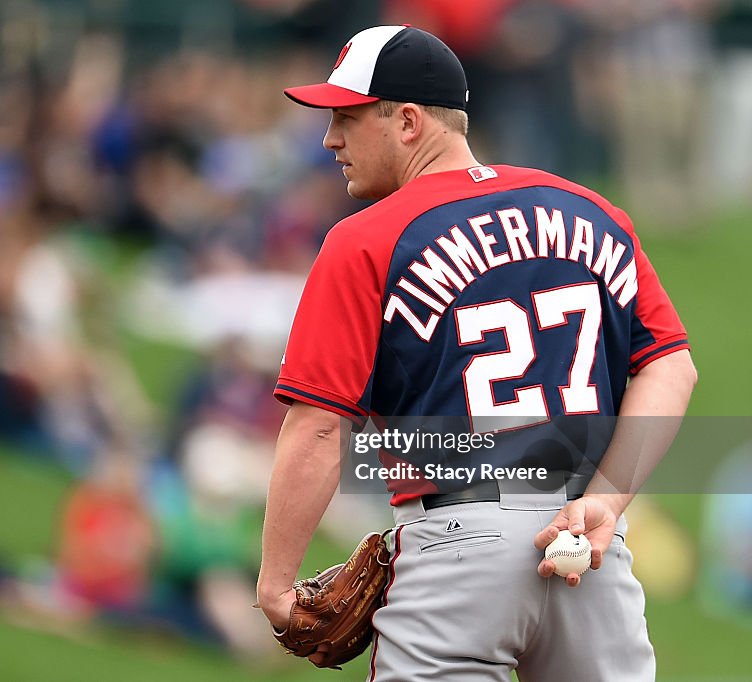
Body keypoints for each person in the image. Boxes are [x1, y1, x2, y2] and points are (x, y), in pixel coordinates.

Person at [256, 25, 697, 681]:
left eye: (346, 117)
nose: (330, 140)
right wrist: (608, 499)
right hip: (586, 547)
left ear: (407, 122)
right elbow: (672, 365)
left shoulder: (367, 239)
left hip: (459, 548)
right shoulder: (593, 212)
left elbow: (320, 426)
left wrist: (276, 584)